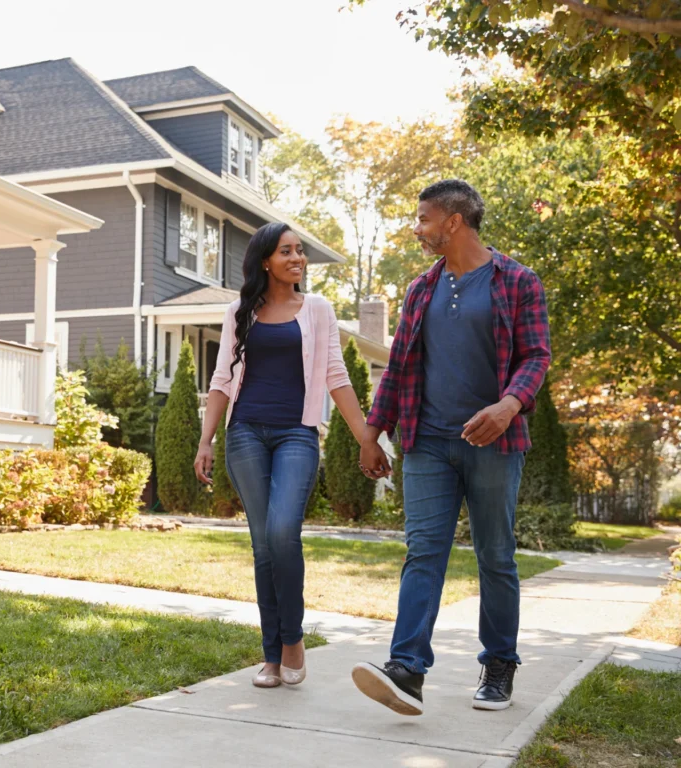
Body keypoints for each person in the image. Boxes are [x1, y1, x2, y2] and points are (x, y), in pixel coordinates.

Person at [352, 180, 551, 716]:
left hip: (495, 441)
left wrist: (509, 405)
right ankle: (407, 669)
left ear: (454, 221)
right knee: (423, 553)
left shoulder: (517, 282)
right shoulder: (421, 289)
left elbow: (536, 356)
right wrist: (373, 431)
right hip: (428, 441)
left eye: (423, 219)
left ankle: (499, 663)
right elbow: (398, 367)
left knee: (496, 555)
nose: (417, 229)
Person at [194, 222, 390, 689]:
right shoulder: (240, 311)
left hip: (296, 434)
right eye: (287, 251)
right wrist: (206, 439)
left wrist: (367, 436)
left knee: (284, 532)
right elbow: (222, 378)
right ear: (266, 260)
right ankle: (271, 657)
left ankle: (293, 639)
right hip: (244, 434)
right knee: (263, 545)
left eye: (300, 251)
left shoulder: (317, 309)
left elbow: (335, 375)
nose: (297, 258)